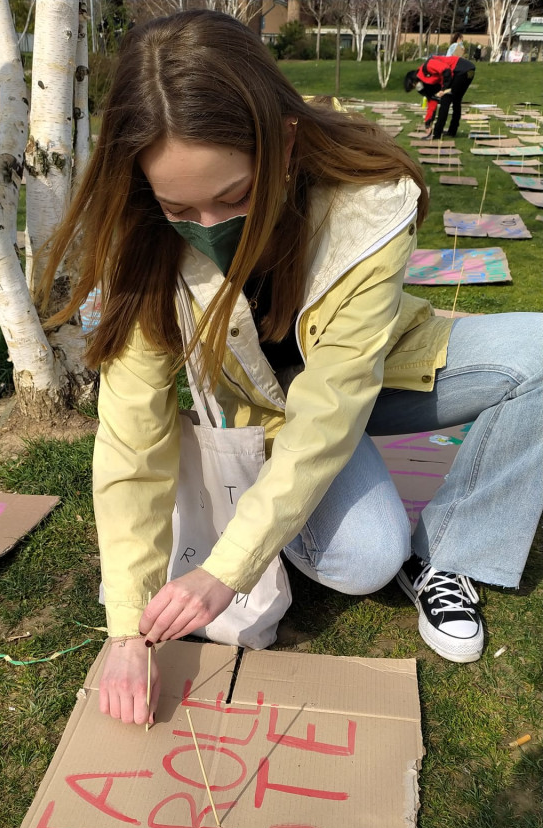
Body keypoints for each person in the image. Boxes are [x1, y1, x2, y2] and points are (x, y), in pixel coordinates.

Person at [40, 11, 542, 725]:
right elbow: (131, 437)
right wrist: (127, 627)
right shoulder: (144, 239)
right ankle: (377, 537)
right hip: (268, 417)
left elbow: (335, 406)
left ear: (284, 144)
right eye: (180, 206)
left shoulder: (370, 205)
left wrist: (225, 572)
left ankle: (453, 553)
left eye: (236, 196)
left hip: (375, 378)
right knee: (366, 560)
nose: (211, 228)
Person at [404, 54, 476, 139]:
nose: (417, 87)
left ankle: (437, 134)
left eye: (414, 85)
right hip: (467, 70)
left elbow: (446, 70)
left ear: (415, 78)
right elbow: (432, 103)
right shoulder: (428, 85)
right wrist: (428, 123)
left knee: (446, 100)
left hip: (461, 69)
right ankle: (452, 131)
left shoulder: (427, 66)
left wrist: (444, 89)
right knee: (456, 100)